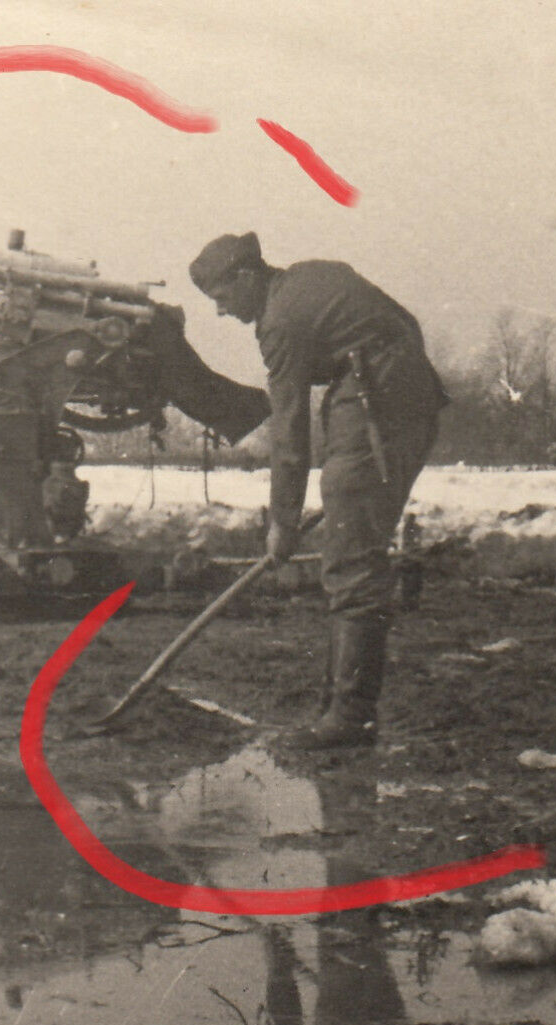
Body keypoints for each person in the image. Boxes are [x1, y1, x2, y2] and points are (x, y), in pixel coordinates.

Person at [188, 232, 446, 749]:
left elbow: (289, 436)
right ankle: (339, 706)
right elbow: (404, 323)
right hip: (403, 395)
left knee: (352, 560)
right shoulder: (313, 272)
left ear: (246, 277)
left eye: (221, 296)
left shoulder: (279, 323)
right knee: (354, 549)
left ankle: (350, 718)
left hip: (376, 404)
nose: (221, 311)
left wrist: (282, 524)